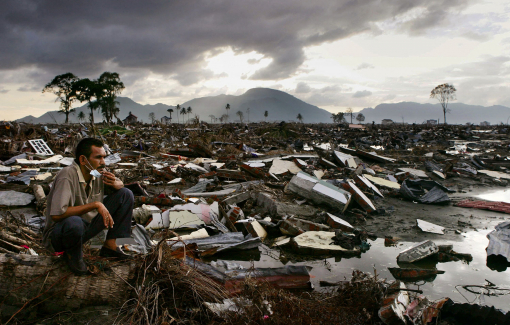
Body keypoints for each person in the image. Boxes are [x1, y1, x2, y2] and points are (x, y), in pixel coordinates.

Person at [42, 138, 134, 275]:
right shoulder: (67, 175)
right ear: (83, 160)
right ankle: (72, 256)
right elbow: (57, 215)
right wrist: (95, 205)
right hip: (60, 235)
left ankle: (111, 246)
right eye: (98, 158)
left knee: (126, 194)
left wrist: (117, 184)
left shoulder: (94, 173)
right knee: (74, 221)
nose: (103, 162)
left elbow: (120, 188)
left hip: (84, 229)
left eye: (104, 157)